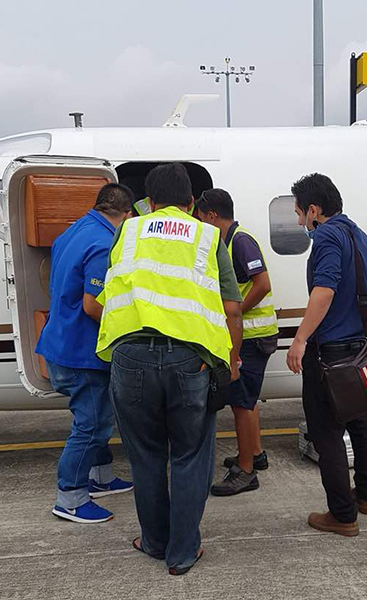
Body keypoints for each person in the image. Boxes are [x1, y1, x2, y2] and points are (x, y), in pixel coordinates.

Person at [96, 163, 243, 576]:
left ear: (150, 202)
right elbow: (232, 309)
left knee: (145, 457)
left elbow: (111, 290)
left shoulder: (127, 231)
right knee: (190, 456)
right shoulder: (207, 236)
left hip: (130, 357)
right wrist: (230, 363)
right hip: (188, 360)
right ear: (191, 202)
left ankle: (155, 541)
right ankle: (182, 552)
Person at [285, 173, 367, 537]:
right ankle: (366, 496)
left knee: (326, 434)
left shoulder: (326, 236)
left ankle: (342, 515)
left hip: (330, 353)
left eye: (299, 213)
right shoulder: (363, 238)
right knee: (360, 423)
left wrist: (300, 340)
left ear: (314, 210)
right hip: (359, 348)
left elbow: (323, 291)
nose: (299, 222)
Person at [35, 183, 135, 524]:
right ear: (126, 215)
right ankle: (71, 498)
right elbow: (93, 306)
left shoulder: (72, 232)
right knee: (92, 425)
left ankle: (101, 478)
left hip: (60, 342)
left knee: (97, 414)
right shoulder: (104, 243)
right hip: (82, 352)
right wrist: (129, 324)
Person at [196, 189, 279, 496]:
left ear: (212, 216)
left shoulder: (240, 241)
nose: (199, 224)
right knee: (246, 400)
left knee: (241, 403)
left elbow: (262, 284)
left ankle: (245, 472)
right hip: (250, 335)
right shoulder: (227, 241)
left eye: (201, 218)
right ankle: (254, 454)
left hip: (253, 336)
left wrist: (235, 314)